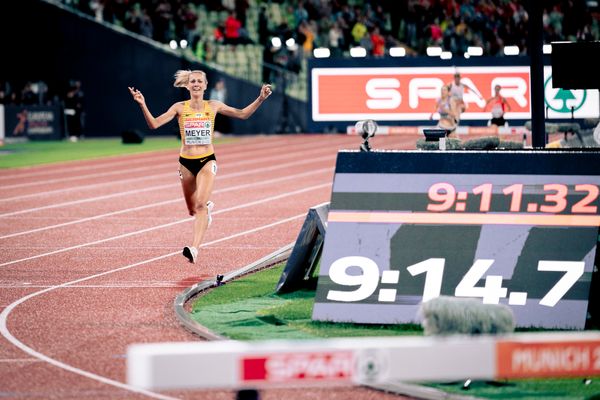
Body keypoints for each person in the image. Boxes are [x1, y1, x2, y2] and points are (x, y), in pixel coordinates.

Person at [128, 70, 272, 264]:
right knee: (191, 210)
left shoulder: (213, 106)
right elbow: (154, 124)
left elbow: (242, 114)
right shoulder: (179, 108)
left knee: (200, 205)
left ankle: (194, 248)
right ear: (187, 86)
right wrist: (142, 104)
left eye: (199, 81)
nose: (196, 84)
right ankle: (205, 212)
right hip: (185, 163)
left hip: (207, 160)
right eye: (192, 81)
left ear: (205, 86)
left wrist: (260, 98)